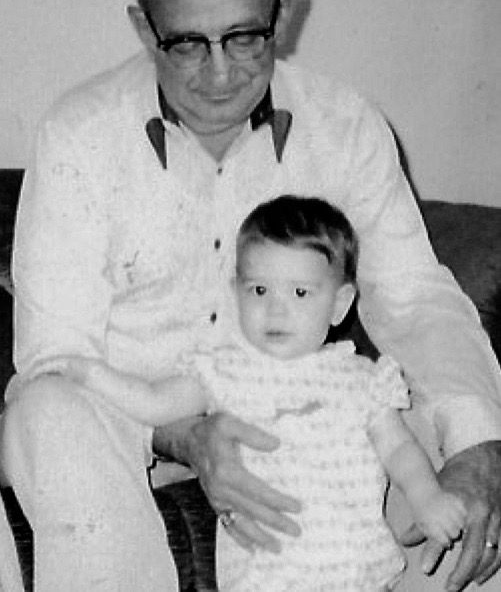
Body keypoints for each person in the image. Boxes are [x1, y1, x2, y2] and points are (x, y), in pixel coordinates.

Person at [1, 0, 501, 592]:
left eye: (244, 37)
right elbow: (54, 357)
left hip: (306, 424)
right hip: (131, 435)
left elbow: (414, 297)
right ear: (143, 28)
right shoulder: (79, 135)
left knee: (470, 492)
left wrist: (478, 447)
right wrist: (184, 436)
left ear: (284, 13)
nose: (218, 74)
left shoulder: (345, 125)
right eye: (186, 43)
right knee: (46, 412)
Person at [24, 195, 468, 592]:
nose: (276, 308)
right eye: (259, 290)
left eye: (300, 292)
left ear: (339, 303)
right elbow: (152, 402)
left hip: (359, 573)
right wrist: (88, 373)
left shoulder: (363, 380)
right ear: (236, 292)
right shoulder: (223, 371)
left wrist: (427, 497)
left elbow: (399, 449)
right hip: (263, 578)